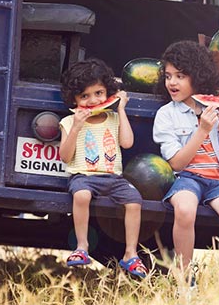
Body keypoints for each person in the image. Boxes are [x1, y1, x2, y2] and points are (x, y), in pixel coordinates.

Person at [152, 41, 219, 283]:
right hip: (187, 178)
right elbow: (176, 164)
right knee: (184, 210)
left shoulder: (218, 108)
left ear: (198, 76)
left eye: (180, 76)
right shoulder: (166, 115)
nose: (172, 82)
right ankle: (184, 277)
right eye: (168, 76)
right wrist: (202, 130)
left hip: (218, 179)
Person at [59, 58, 147, 278]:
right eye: (84, 96)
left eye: (99, 93)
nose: (92, 101)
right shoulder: (69, 122)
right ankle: (81, 247)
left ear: (108, 92)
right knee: (81, 195)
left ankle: (130, 253)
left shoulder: (113, 118)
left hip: (113, 178)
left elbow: (127, 143)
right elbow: (65, 156)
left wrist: (122, 110)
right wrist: (77, 126)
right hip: (83, 176)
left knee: (135, 201)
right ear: (74, 99)